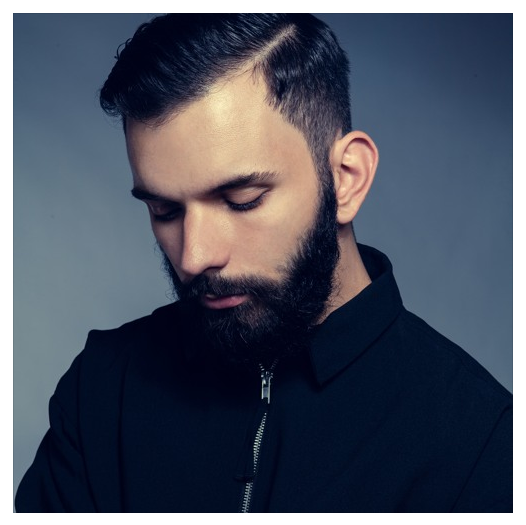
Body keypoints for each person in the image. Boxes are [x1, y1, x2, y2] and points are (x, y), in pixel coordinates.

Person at [15, 14, 512, 513]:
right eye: (164, 211)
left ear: (347, 178)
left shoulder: (482, 442)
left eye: (243, 200)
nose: (194, 256)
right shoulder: (103, 387)